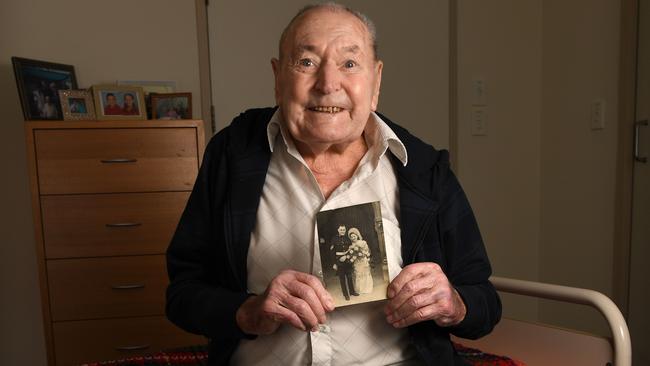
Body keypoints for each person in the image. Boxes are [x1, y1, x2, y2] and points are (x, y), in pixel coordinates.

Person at [166, 3, 501, 365]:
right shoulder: (232, 156)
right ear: (278, 79)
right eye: (306, 62)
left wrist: (452, 303)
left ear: (376, 81)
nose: (327, 85)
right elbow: (182, 294)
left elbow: (485, 303)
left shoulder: (423, 169)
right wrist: (248, 311)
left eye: (349, 64)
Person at [330, 225, 356, 300]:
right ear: (338, 230)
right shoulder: (334, 239)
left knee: (349, 276)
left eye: (344, 230)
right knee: (342, 278)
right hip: (339, 261)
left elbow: (350, 249)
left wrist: (347, 256)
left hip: (347, 260)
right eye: (341, 230)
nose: (342, 231)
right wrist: (334, 263)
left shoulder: (347, 238)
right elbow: (332, 252)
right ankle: (346, 294)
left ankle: (352, 292)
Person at [347, 227, 373, 294]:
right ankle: (360, 289)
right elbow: (351, 253)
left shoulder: (363, 242)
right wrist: (354, 255)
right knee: (358, 274)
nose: (353, 238)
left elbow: (367, 250)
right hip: (357, 261)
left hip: (363, 259)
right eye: (352, 237)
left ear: (357, 235)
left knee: (365, 273)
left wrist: (363, 254)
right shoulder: (351, 246)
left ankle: (367, 288)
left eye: (354, 236)